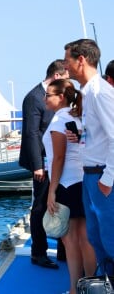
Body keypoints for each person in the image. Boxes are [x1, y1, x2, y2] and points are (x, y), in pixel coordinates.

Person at [64, 39, 114, 275]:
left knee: (110, 239)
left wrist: (108, 179)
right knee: (97, 238)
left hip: (102, 177)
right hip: (91, 176)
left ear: (81, 60)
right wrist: (82, 136)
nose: (65, 66)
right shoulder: (88, 93)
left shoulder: (100, 92)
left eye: (67, 60)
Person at [43, 78, 96, 294]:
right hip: (82, 180)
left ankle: (75, 289)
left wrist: (51, 190)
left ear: (61, 97)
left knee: (70, 238)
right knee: (85, 236)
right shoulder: (77, 118)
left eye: (48, 95)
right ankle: (91, 285)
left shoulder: (58, 121)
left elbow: (58, 158)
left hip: (66, 183)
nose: (44, 98)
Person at [19, 59, 69, 269]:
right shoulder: (33, 98)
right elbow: (31, 133)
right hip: (43, 161)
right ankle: (38, 252)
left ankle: (63, 252)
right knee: (40, 206)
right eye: (66, 77)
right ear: (57, 76)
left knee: (61, 203)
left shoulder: (61, 97)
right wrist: (38, 165)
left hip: (58, 159)